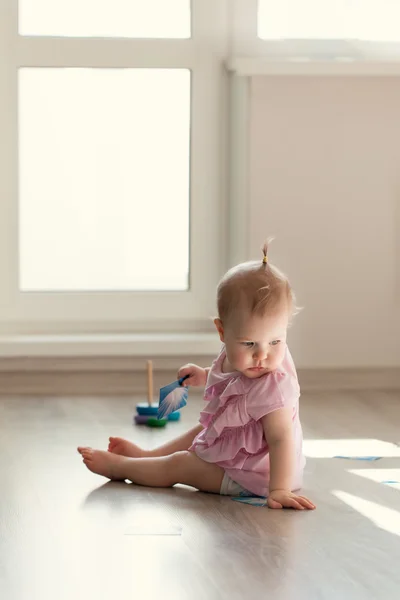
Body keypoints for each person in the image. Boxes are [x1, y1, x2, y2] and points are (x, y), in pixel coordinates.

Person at [78, 242, 315, 510]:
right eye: (250, 344)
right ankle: (150, 456)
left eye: (275, 341)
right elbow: (232, 380)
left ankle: (124, 468)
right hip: (243, 459)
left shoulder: (273, 386)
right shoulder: (239, 355)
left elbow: (281, 438)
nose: (262, 355)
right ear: (222, 332)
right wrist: (204, 375)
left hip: (259, 477)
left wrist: (280, 489)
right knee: (204, 430)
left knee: (182, 464)